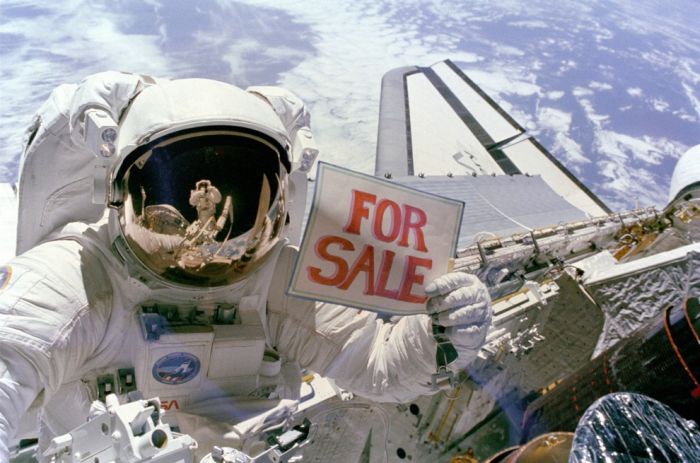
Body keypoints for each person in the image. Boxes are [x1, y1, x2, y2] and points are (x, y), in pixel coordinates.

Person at [0, 71, 492, 460]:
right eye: (181, 194)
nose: (206, 254)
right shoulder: (79, 277)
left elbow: (378, 365)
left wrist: (442, 335)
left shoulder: (273, 281)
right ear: (116, 196)